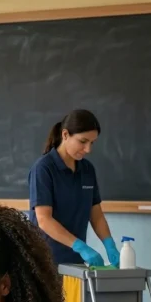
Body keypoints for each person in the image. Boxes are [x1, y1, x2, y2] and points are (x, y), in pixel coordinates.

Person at [28, 109, 118, 267]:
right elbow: (44, 220)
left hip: (75, 263)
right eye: (83, 141)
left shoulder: (87, 169)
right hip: (45, 263)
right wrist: (80, 247)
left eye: (92, 143)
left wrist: (110, 245)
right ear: (65, 135)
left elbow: (96, 215)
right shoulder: (43, 168)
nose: (88, 149)